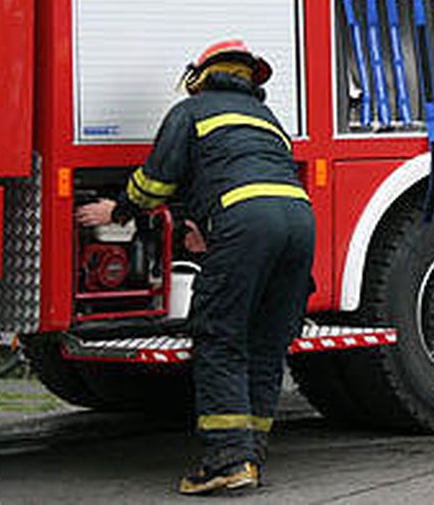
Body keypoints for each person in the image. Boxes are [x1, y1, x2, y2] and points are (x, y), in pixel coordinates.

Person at [76, 39, 314, 496]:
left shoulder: (192, 112)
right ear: (250, 79)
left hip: (245, 224)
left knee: (221, 339)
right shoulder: (267, 120)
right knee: (266, 343)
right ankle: (252, 452)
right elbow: (242, 176)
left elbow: (156, 182)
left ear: (199, 76)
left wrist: (119, 211)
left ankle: (228, 459)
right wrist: (203, 222)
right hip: (300, 223)